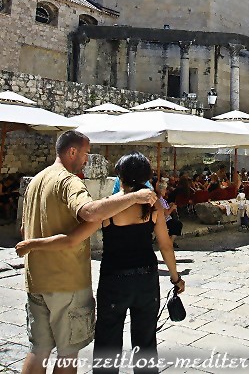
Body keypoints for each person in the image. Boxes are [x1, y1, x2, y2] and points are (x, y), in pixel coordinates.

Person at [17, 151, 184, 374]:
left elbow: (72, 239)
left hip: (114, 281)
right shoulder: (154, 209)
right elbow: (165, 246)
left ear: (120, 178)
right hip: (146, 279)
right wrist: (176, 278)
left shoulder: (107, 209)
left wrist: (33, 244)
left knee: (108, 344)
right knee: (145, 345)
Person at [156, 180, 183, 247]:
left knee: (175, 223)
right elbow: (166, 213)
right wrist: (172, 208)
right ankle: (170, 242)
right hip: (164, 219)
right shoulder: (159, 200)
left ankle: (169, 240)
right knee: (177, 224)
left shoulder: (162, 199)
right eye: (165, 189)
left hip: (167, 218)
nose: (166, 191)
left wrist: (169, 206)